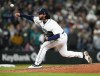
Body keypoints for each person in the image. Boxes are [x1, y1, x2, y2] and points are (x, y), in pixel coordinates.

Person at [15, 8, 92, 68]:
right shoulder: (40, 20)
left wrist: (48, 39)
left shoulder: (51, 23)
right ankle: (82, 55)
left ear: (44, 14)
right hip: (62, 37)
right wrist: (21, 15)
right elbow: (31, 18)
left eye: (40, 14)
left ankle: (37, 64)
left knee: (44, 46)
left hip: (60, 37)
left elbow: (57, 35)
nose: (39, 15)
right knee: (64, 53)